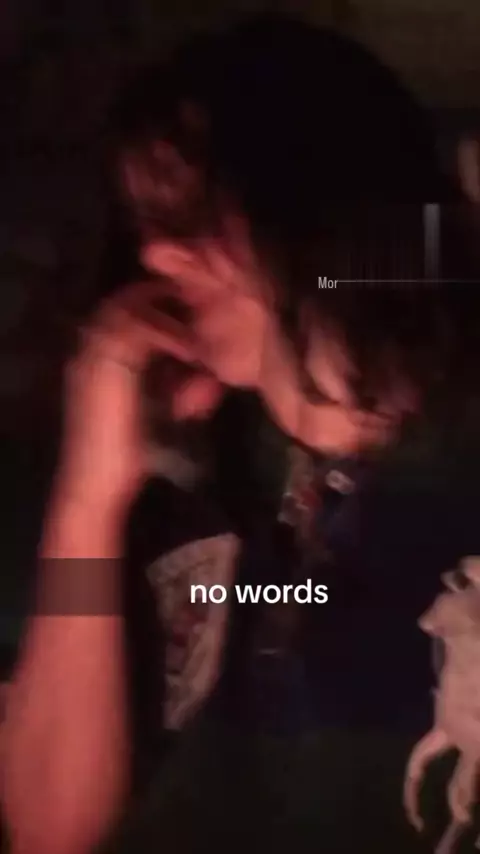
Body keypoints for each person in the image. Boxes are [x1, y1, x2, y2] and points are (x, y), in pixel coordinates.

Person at [2, 13, 480, 854]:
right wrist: (88, 500)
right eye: (149, 223)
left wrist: (314, 280)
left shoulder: (451, 445)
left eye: (192, 217)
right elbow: (49, 830)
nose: (159, 258)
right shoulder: (183, 478)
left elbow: (415, 247)